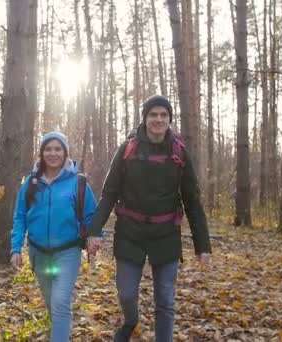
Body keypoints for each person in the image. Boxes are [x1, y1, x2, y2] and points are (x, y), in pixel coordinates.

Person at [86, 95, 212, 342]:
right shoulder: (128, 149)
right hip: (130, 232)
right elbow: (109, 193)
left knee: (165, 299)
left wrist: (203, 245)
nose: (158, 119)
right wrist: (94, 230)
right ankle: (131, 321)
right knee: (126, 293)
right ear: (145, 118)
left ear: (169, 119)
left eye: (163, 115)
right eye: (153, 114)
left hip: (165, 233)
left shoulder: (179, 153)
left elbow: (193, 201)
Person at [10, 132, 97, 342]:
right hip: (38, 253)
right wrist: (15, 248)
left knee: (59, 303)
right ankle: (61, 329)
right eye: (48, 149)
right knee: (52, 303)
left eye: (58, 149)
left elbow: (92, 214)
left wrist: (95, 236)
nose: (53, 153)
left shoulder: (79, 182)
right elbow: (20, 216)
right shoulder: (30, 183)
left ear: (65, 152)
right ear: (41, 153)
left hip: (67, 252)